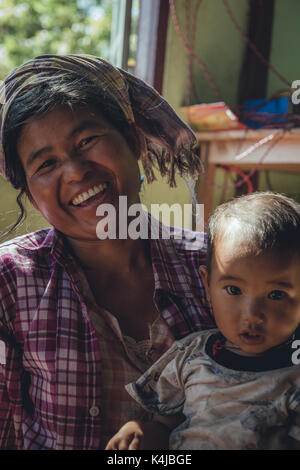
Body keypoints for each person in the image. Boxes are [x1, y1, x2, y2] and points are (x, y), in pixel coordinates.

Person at [0, 54, 214, 450]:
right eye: (46, 163)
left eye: (87, 142)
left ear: (132, 140)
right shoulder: (10, 282)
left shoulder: (214, 267)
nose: (76, 171)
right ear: (30, 192)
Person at [106, 192, 300, 450]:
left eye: (276, 295)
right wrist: (140, 432)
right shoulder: (190, 355)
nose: (252, 313)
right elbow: (166, 424)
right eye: (233, 290)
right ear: (208, 286)